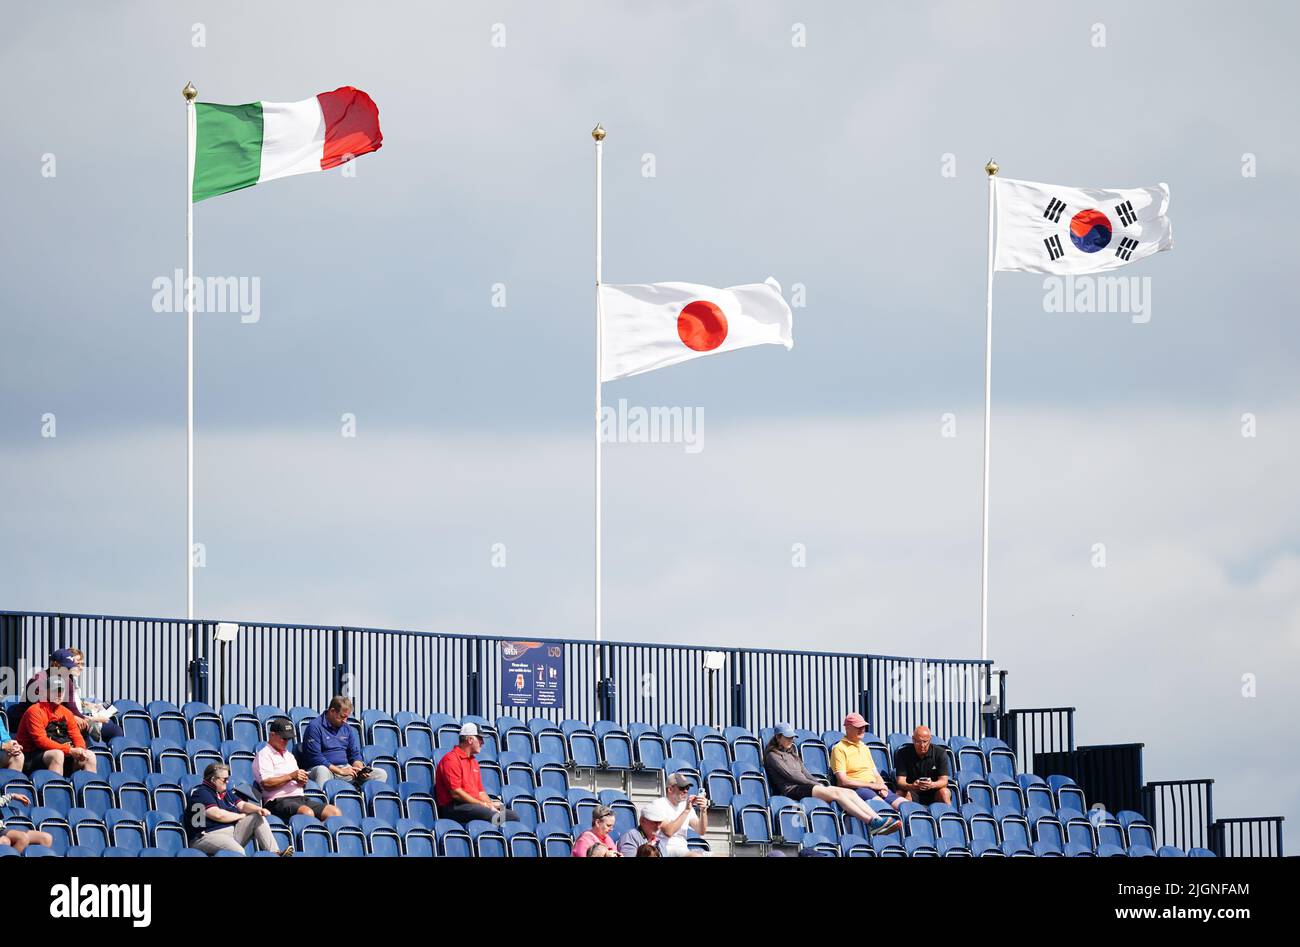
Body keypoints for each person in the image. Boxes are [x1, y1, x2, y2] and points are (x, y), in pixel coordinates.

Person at [763, 723, 898, 836]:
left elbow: (805, 772)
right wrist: (817, 785)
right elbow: (793, 776)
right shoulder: (772, 755)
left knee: (850, 792)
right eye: (787, 737)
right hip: (792, 790)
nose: (791, 740)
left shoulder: (792, 752)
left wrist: (817, 783)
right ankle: (870, 822)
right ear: (778, 737)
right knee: (837, 793)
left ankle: (878, 820)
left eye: (792, 737)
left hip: (805, 786)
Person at [187, 763, 293, 856]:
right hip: (205, 836)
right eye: (224, 779)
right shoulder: (201, 793)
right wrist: (241, 816)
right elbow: (218, 815)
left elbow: (242, 805)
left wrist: (258, 809)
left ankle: (274, 854)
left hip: (229, 833)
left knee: (256, 817)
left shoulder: (225, 793)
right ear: (213, 780)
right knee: (237, 851)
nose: (227, 782)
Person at [23, 649, 123, 743]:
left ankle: (85, 753)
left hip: (57, 722)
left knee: (85, 727)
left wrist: (83, 720)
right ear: (55, 665)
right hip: (34, 725)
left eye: (70, 667)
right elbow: (42, 712)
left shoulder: (67, 680)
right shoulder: (38, 681)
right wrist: (72, 717)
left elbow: (73, 709)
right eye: (66, 668)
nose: (68, 671)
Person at [253, 719, 341, 822]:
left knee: (334, 812)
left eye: (288, 739)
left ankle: (323, 831)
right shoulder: (264, 755)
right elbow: (266, 784)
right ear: (272, 735)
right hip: (277, 800)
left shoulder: (289, 756)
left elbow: (296, 779)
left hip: (300, 798)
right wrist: (291, 776)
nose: (286, 742)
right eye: (283, 738)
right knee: (307, 813)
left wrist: (302, 781)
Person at [433, 722, 519, 825]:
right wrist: (483, 805)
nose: (482, 742)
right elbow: (456, 793)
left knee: (513, 816)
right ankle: (490, 831)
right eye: (480, 738)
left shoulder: (473, 762)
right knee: (493, 815)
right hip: (455, 807)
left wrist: (490, 804)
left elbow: (480, 792)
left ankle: (497, 831)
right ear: (470, 740)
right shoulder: (451, 759)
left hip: (473, 805)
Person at [16, 675, 96, 776]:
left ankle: (90, 786)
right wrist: (70, 750)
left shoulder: (66, 712)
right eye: (55, 691)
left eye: (61, 691)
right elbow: (41, 741)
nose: (59, 694)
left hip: (63, 753)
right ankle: (55, 785)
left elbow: (76, 736)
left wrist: (80, 750)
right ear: (46, 692)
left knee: (89, 756)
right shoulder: (35, 711)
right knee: (57, 754)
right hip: (32, 756)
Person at [299, 696, 386, 788]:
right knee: (321, 770)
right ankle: (322, 797)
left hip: (345, 769)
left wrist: (359, 768)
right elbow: (315, 757)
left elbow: (354, 754)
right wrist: (340, 771)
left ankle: (360, 792)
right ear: (332, 711)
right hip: (325, 769)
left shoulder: (346, 728)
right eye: (342, 717)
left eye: (347, 717)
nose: (345, 721)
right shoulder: (314, 727)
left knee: (380, 774)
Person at [829, 712, 904, 813]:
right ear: (848, 728)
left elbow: (876, 774)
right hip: (856, 790)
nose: (862, 729)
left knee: (905, 805)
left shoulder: (864, 747)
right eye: (858, 727)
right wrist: (872, 786)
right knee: (884, 807)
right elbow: (843, 781)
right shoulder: (839, 748)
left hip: (873, 787)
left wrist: (882, 787)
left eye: (863, 726)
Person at [893, 726, 952, 805]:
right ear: (913, 739)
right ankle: (903, 813)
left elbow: (944, 781)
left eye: (925, 742)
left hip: (934, 792)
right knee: (899, 794)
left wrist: (931, 784)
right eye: (918, 742)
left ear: (930, 740)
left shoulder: (940, 753)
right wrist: (912, 786)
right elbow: (900, 781)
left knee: (945, 792)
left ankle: (948, 812)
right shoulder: (903, 753)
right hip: (912, 792)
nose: (922, 745)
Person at [659, 772, 708, 857]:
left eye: (687, 788)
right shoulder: (660, 805)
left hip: (683, 849)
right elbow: (669, 832)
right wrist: (686, 811)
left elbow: (701, 831)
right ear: (670, 789)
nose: (685, 791)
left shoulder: (685, 806)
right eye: (681, 788)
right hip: (666, 848)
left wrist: (703, 810)